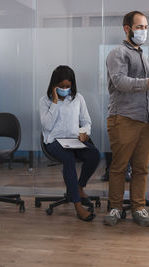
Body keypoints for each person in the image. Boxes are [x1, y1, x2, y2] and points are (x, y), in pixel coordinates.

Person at [103, 11, 149, 227]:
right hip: (123, 118)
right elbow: (120, 82)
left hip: (145, 119)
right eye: (140, 27)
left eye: (146, 27)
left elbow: (145, 85)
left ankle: (139, 207)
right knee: (119, 166)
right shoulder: (117, 53)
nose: (144, 31)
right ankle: (115, 207)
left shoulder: (143, 55)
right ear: (127, 28)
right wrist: (147, 83)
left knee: (141, 167)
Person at [39, 65, 100, 222]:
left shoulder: (78, 98)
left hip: (74, 140)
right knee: (68, 160)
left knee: (94, 155)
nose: (65, 89)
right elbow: (46, 126)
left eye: (68, 86)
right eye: (61, 86)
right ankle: (78, 206)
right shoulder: (45, 101)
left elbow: (86, 121)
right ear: (54, 85)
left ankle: (79, 187)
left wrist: (85, 133)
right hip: (54, 141)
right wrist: (55, 102)